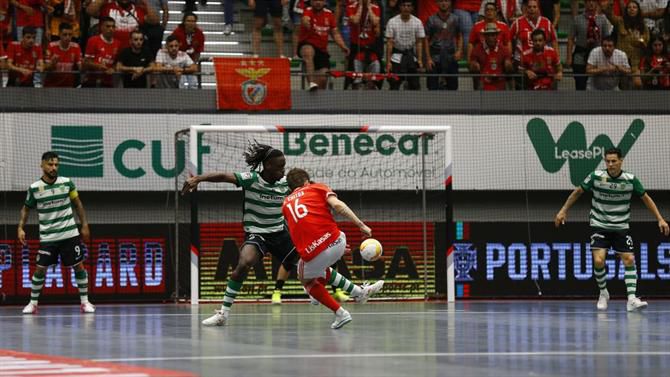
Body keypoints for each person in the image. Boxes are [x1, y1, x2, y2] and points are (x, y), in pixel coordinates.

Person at [181, 143, 299, 326]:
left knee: (310, 264)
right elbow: (222, 175)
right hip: (257, 234)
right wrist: (198, 178)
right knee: (244, 263)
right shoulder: (250, 179)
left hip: (281, 234)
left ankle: (355, 291)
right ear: (267, 166)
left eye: (284, 166)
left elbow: (310, 191)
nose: (283, 171)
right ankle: (223, 314)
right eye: (279, 167)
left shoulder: (286, 183)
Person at [554, 147, 669, 312]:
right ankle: (603, 293)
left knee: (629, 259)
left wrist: (660, 219)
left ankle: (631, 299)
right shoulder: (596, 177)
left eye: (614, 161)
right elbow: (578, 192)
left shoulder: (630, 180)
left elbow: (646, 198)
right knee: (599, 260)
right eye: (607, 161)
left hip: (621, 226)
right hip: (599, 224)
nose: (610, 164)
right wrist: (563, 210)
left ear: (621, 161)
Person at [282, 168, 384, 329]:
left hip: (314, 250)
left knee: (307, 282)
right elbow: (338, 205)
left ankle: (340, 313)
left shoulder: (285, 204)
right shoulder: (317, 187)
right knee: (319, 268)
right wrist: (361, 225)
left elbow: (298, 230)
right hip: (338, 241)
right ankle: (359, 292)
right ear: (306, 182)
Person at [19, 151, 95, 315]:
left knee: (79, 266)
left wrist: (85, 225)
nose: (54, 168)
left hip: (70, 235)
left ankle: (85, 302)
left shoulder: (67, 183)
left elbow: (78, 204)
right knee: (40, 269)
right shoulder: (34, 188)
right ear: (42, 165)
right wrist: (20, 227)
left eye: (56, 165)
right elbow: (26, 209)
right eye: (50, 164)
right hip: (48, 237)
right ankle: (32, 304)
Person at [297, 0, 349, 91]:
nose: (318, 3)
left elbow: (335, 33)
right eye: (315, 0)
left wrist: (342, 46)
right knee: (308, 51)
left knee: (323, 79)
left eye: (320, 1)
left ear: (325, 2)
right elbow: (305, 18)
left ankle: (319, 98)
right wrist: (306, 22)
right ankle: (311, 83)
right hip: (307, 44)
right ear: (311, 2)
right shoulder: (308, 11)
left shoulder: (329, 15)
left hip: (322, 50)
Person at [566, 0, 612, 90]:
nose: (591, 3)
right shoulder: (577, 19)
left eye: (593, 1)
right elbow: (570, 39)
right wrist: (569, 57)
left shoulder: (602, 19)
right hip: (580, 54)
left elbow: (607, 39)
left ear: (597, 3)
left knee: (599, 84)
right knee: (580, 83)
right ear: (584, 3)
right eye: (588, 1)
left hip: (598, 55)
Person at [385, 0, 425, 90]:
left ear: (412, 8)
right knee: (394, 84)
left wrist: (419, 60)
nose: (406, 8)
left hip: (411, 57)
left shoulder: (417, 22)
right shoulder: (392, 22)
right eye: (403, 5)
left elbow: (419, 42)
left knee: (415, 85)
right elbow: (389, 43)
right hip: (396, 57)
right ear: (400, 7)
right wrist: (388, 62)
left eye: (408, 5)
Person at [424, 0, 462, 90]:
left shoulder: (455, 19)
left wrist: (459, 51)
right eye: (441, 1)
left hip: (451, 56)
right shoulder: (431, 19)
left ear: (450, 3)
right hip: (434, 57)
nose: (444, 3)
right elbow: (425, 39)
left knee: (453, 87)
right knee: (432, 87)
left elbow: (459, 36)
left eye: (446, 1)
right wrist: (428, 58)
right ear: (437, 3)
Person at [468, 22, 513, 90]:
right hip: (483, 87)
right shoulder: (476, 49)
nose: (490, 38)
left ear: (497, 35)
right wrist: (474, 66)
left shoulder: (504, 50)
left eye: (493, 35)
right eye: (488, 35)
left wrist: (509, 66)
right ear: (484, 36)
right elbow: (471, 68)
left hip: (500, 86)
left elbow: (510, 70)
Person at [82, 16, 120, 87]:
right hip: (91, 81)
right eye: (108, 26)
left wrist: (113, 69)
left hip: (107, 83)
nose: (111, 29)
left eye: (113, 26)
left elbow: (117, 63)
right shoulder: (93, 40)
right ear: (102, 27)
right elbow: (86, 62)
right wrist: (98, 66)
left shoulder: (118, 43)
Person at [43, 22, 82, 87]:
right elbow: (45, 68)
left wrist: (85, 64)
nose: (67, 37)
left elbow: (81, 68)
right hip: (51, 86)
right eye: (65, 34)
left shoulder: (76, 47)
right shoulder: (51, 46)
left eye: (70, 35)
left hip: (68, 86)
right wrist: (52, 63)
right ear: (59, 34)